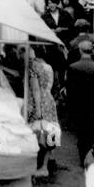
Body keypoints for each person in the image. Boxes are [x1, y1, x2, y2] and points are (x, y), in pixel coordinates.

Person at [22, 46, 60, 178]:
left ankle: (38, 166)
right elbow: (49, 85)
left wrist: (37, 108)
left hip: (38, 102)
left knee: (35, 132)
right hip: (49, 100)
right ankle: (45, 165)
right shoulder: (47, 67)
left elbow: (35, 89)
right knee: (50, 132)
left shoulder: (32, 67)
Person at [67, 49, 94, 166]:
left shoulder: (73, 67)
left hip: (80, 105)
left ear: (80, 51)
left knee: (82, 133)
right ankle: (92, 154)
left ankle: (83, 156)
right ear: (91, 51)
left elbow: (70, 89)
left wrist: (70, 106)